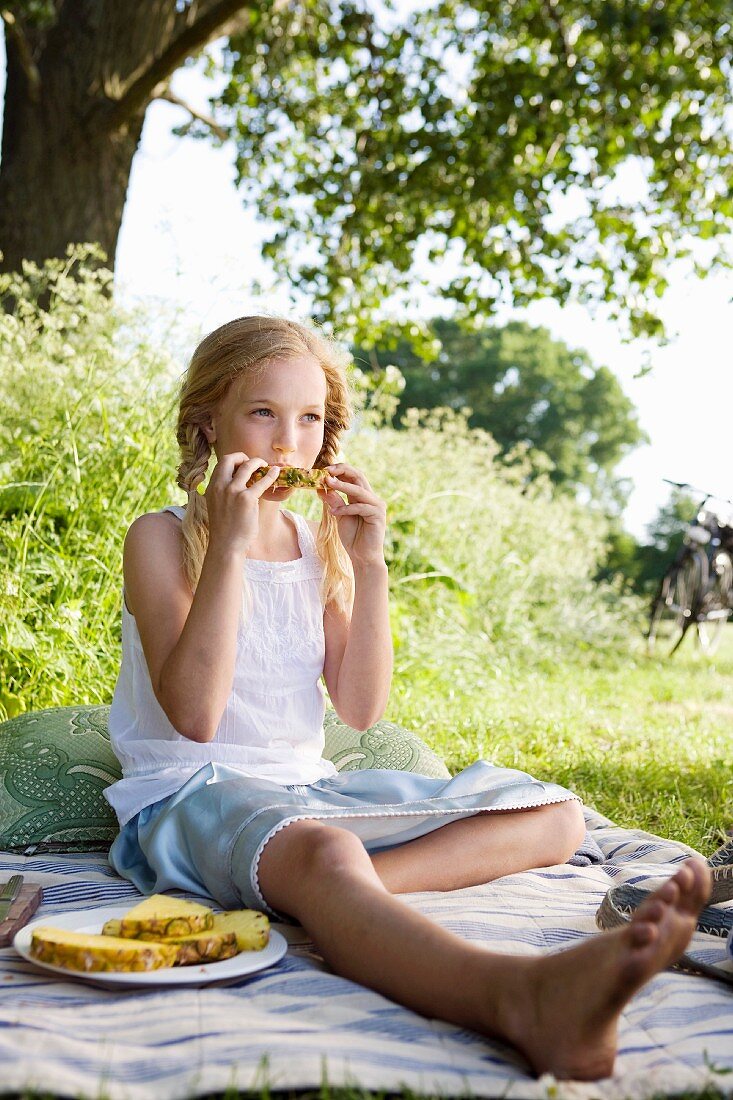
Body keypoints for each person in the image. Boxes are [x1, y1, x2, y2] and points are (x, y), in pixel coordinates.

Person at [105, 315, 710, 1082]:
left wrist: (369, 563)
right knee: (325, 849)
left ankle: (337, 894)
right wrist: (226, 545)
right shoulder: (159, 538)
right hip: (189, 795)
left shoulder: (310, 546)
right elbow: (195, 715)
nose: (287, 442)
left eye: (310, 418)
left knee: (551, 816)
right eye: (262, 413)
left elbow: (359, 710)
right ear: (207, 421)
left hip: (303, 792)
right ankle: (516, 998)